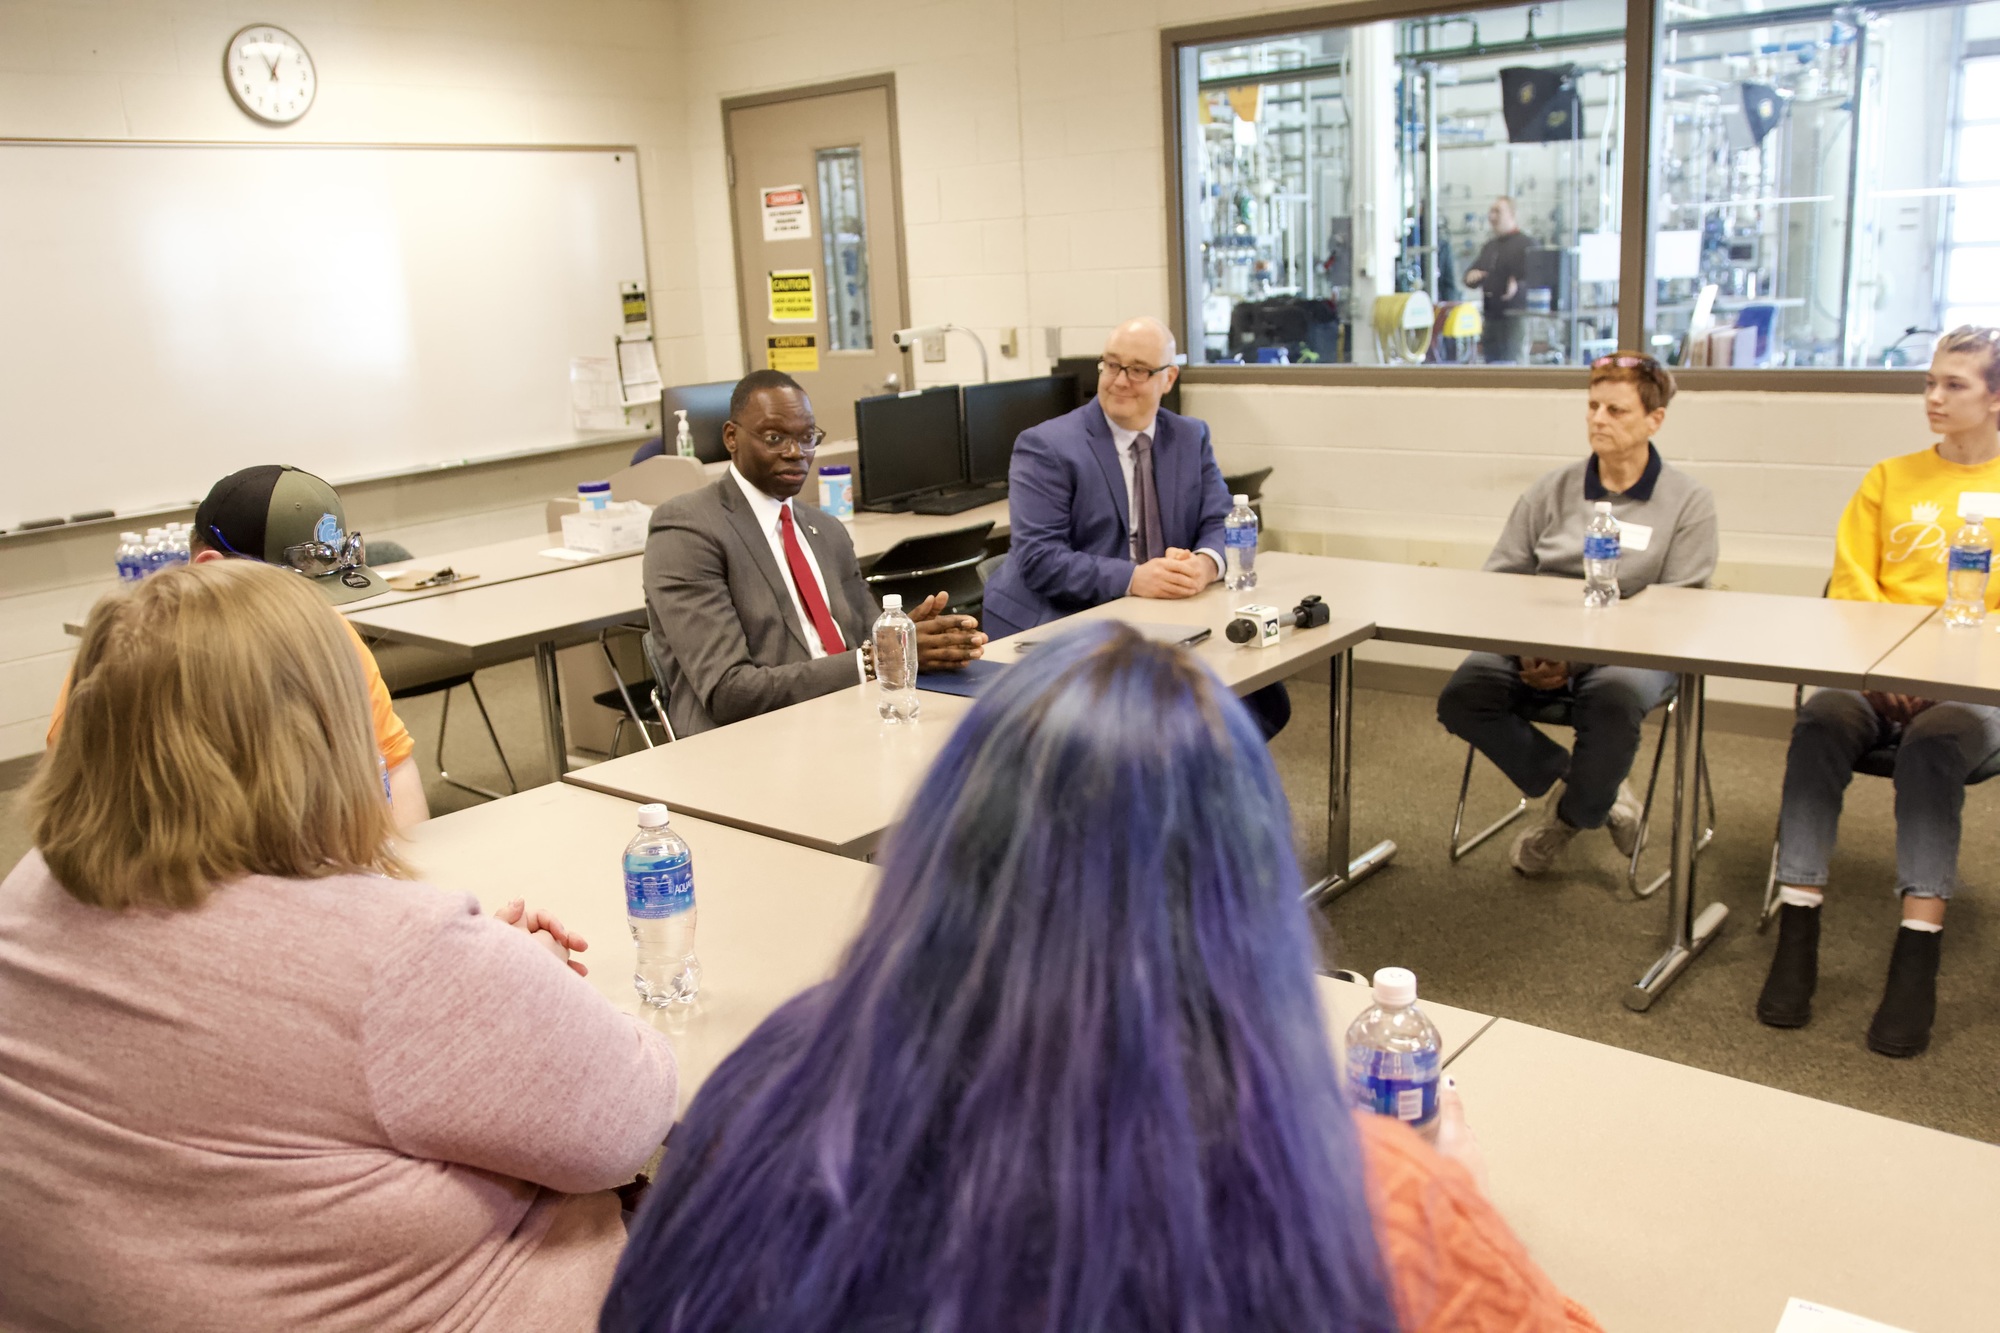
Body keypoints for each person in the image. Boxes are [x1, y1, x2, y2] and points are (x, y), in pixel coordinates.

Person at [601, 622, 1600, 1333]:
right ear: (1246, 891)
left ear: (944, 842)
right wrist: (1450, 1203)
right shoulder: (1365, 1198)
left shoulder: (775, 1077)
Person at [0, 559, 677, 1331]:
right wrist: (514, 977)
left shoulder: (27, 895)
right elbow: (631, 1112)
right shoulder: (393, 957)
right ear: (316, 739)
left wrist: (470, 980)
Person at [1758, 326, 2000, 1058]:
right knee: (1822, 718)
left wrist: (1940, 671)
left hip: (1972, 691)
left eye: (1954, 385)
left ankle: (1917, 948)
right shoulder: (1887, 478)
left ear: (1995, 398)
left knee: (1933, 745)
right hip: (1877, 676)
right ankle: (1798, 923)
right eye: (1930, 381)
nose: (1932, 396)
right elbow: (1851, 586)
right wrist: (1890, 666)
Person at [1436, 354, 1717, 876]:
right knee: (1463, 697)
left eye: (1616, 410)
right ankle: (1595, 788)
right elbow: (1499, 578)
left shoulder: (1688, 502)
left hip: (1633, 650)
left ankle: (1565, 820)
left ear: (1654, 420)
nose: (1598, 420)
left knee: (1615, 698)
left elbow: (1679, 610)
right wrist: (1529, 648)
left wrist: (1576, 662)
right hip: (1535, 640)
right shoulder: (1552, 490)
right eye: (1592, 406)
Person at [46, 464, 431, 828]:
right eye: (292, 595)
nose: (314, 617)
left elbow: (391, 765)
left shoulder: (329, 634)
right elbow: (95, 835)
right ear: (211, 568)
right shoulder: (122, 674)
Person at [981, 316, 1290, 737]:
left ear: (1169, 378)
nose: (1120, 381)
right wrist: (1134, 578)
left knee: (1260, 699)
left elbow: (1221, 520)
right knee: (1151, 720)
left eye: (1138, 370)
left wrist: (1204, 563)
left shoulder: (1188, 436)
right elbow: (1040, 560)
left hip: (1153, 617)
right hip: (1059, 617)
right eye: (1111, 365)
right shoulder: (1047, 446)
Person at [642, 370, 985, 736]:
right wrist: (874, 662)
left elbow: (866, 642)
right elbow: (730, 692)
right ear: (731, 437)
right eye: (775, 438)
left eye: (807, 438)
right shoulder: (687, 529)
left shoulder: (826, 529)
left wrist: (905, 640)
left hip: (852, 715)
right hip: (755, 738)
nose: (796, 453)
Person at [1463, 197, 1531, 364]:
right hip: (1491, 318)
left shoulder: (1526, 244)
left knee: (1513, 367)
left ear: (1512, 214)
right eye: (1491, 212)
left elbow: (1537, 278)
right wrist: (1471, 276)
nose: (1492, 216)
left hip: (1514, 318)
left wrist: (1518, 285)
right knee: (1491, 368)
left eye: (1497, 211)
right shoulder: (1490, 247)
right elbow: (1472, 275)